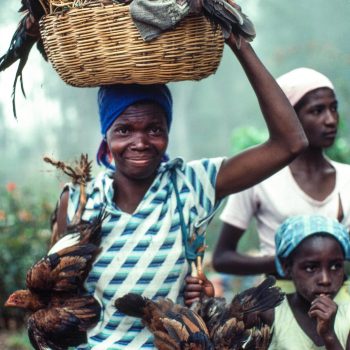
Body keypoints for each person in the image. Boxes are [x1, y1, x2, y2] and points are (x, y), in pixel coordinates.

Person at [53, 33, 307, 349]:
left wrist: (237, 41)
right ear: (106, 137)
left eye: (154, 129)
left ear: (168, 133)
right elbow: (55, 296)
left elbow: (290, 143)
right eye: (124, 130)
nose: (140, 142)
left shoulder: (192, 184)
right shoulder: (78, 199)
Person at [213, 67, 350, 297]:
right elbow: (222, 258)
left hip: (342, 304)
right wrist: (283, 263)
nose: (330, 120)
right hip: (280, 303)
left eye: (333, 108)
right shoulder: (259, 179)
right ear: (289, 117)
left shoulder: (347, 178)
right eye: (317, 110)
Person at [264, 215, 350, 350]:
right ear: (286, 267)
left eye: (335, 266)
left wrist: (329, 336)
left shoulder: (348, 318)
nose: (325, 280)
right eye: (311, 267)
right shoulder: (270, 315)